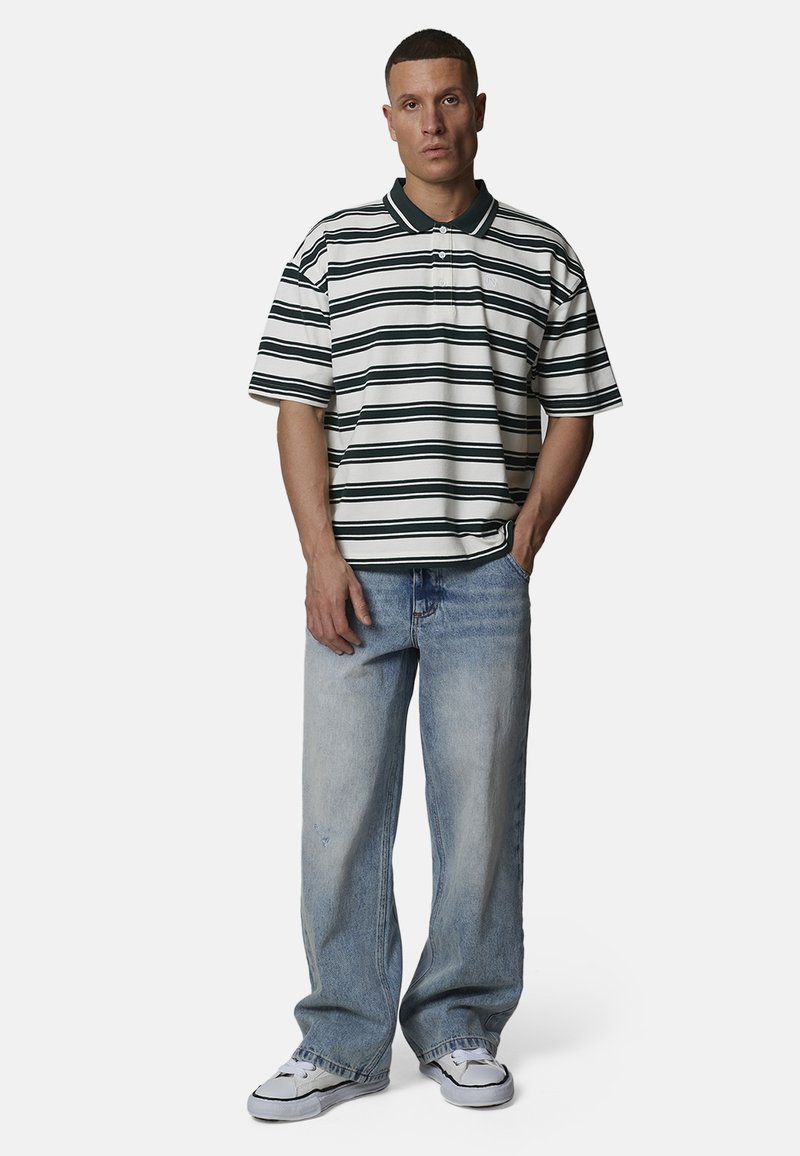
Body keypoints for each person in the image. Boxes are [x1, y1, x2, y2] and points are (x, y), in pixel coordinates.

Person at [245, 27, 623, 1122]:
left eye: (449, 99)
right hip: (355, 581)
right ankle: (342, 1039)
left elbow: (574, 407)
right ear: (387, 118)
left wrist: (527, 533)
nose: (433, 121)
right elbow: (298, 408)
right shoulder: (332, 248)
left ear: (479, 108)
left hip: (480, 584)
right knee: (338, 818)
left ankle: (459, 1024)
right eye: (411, 103)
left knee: (480, 815)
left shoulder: (542, 253)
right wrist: (319, 554)